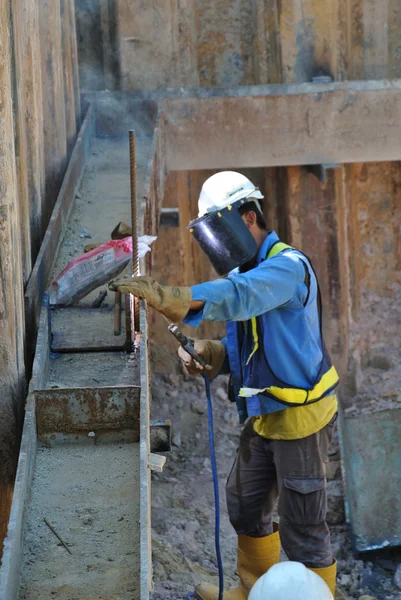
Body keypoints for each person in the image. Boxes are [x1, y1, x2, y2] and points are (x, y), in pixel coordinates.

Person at [109, 171, 339, 599]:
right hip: (263, 414)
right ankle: (254, 589)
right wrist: (215, 354)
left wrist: (176, 297)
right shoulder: (252, 270)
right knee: (246, 506)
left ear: (248, 218)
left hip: (300, 421)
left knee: (304, 527)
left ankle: (317, 594)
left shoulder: (286, 268)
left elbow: (241, 296)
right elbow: (255, 343)